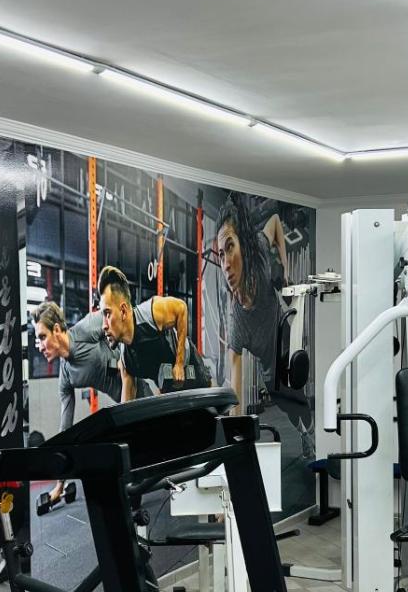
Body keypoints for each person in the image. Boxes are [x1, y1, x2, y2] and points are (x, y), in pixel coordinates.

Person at [32, 301, 149, 503]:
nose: (40, 346)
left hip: (138, 390)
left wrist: (127, 358)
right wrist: (59, 484)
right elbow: (65, 429)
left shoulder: (87, 328)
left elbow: (124, 318)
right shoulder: (66, 376)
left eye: (42, 337)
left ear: (57, 329)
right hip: (124, 406)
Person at [215, 194, 288, 408]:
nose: (225, 264)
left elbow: (275, 221)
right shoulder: (237, 322)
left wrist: (285, 267)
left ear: (244, 248)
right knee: (290, 410)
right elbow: (235, 394)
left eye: (230, 247)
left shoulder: (260, 252)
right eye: (221, 254)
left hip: (287, 337)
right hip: (271, 373)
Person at [97, 266, 210, 401]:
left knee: (210, 405)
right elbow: (128, 395)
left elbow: (181, 308)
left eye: (107, 313)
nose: (104, 326)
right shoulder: (126, 360)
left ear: (123, 311)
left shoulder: (151, 312)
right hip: (169, 383)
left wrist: (179, 363)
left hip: (191, 366)